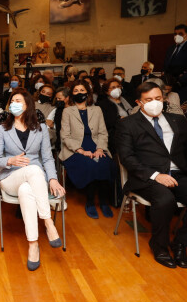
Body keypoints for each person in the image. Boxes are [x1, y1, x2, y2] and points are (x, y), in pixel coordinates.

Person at [116, 82, 187, 269]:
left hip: (179, 173)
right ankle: (159, 246)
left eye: (158, 98)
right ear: (139, 102)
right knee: (165, 199)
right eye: (148, 100)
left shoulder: (178, 120)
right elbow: (127, 158)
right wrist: (156, 175)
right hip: (147, 176)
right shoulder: (128, 124)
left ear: (164, 98)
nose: (154, 103)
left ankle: (180, 243)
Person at [0, 89, 65, 271]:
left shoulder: (40, 129)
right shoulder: (3, 129)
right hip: (10, 178)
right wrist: (10, 160)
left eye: (19, 100)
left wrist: (53, 179)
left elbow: (47, 158)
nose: (14, 103)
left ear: (27, 105)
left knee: (26, 189)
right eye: (12, 100)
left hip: (32, 181)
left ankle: (33, 245)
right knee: (33, 168)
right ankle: (48, 222)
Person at [60, 80, 114, 219]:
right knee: (89, 165)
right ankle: (90, 202)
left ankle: (103, 202)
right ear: (72, 93)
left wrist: (101, 149)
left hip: (96, 146)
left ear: (87, 93)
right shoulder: (67, 111)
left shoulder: (96, 110)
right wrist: (81, 150)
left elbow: (103, 132)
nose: (79, 93)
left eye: (82, 90)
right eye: (76, 91)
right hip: (75, 149)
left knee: (105, 163)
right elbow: (65, 136)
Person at [165, 25, 187, 144]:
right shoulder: (171, 49)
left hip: (186, 88)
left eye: (180, 33)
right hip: (173, 87)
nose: (177, 36)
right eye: (175, 34)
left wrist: (180, 80)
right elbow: (167, 68)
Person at [97, 79, 133, 155]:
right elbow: (106, 122)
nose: (116, 89)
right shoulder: (102, 104)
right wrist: (120, 120)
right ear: (107, 91)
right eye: (113, 87)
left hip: (133, 132)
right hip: (116, 136)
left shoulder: (128, 100)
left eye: (118, 86)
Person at [46, 87, 70, 152]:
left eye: (60, 98)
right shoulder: (56, 110)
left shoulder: (74, 110)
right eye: (56, 98)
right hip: (59, 141)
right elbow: (48, 122)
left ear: (67, 98)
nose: (57, 100)